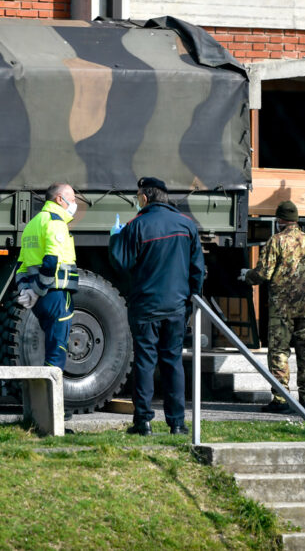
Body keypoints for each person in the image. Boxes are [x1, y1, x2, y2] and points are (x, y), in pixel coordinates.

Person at [109, 176, 205, 436]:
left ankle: (143, 422)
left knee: (144, 362)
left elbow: (121, 264)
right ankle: (177, 423)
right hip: (176, 307)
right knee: (173, 362)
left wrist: (116, 238)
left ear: (144, 197)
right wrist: (189, 300)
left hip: (145, 308)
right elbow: (198, 271)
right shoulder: (187, 225)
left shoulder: (136, 225)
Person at [239, 200, 305, 414]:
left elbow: (263, 273)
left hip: (282, 308)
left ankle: (281, 399)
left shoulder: (276, 241)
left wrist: (246, 276)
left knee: (279, 352)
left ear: (280, 220)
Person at [15, 182, 80, 371]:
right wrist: (38, 290)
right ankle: (51, 399)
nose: (75, 204)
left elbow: (21, 266)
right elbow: (51, 260)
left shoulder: (32, 224)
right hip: (55, 294)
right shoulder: (56, 222)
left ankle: (45, 396)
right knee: (57, 351)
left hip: (41, 300)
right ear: (60, 199)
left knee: (51, 347)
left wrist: (26, 290)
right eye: (73, 199)